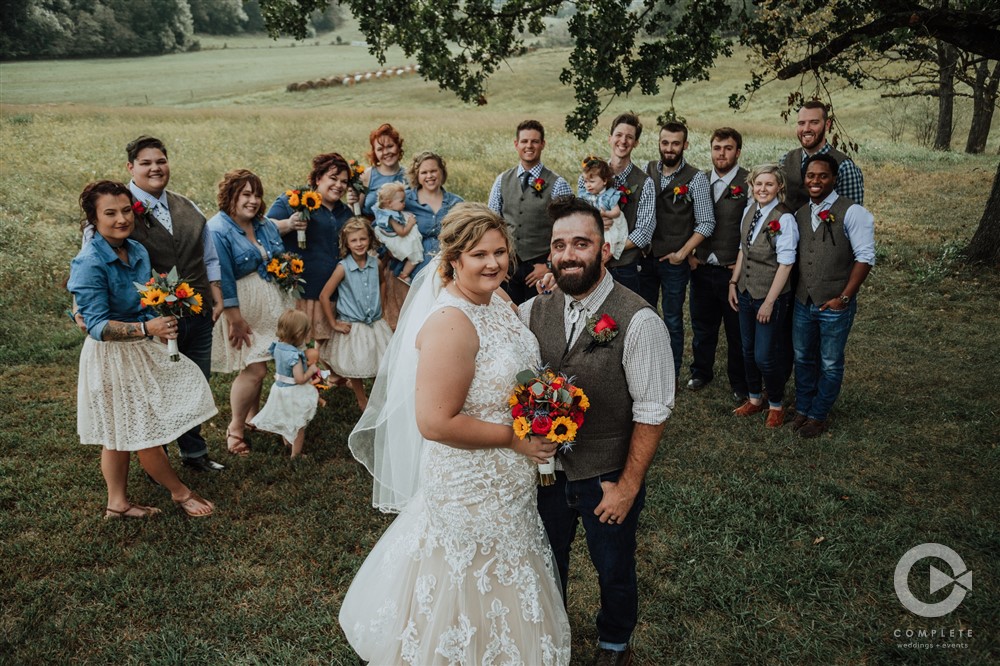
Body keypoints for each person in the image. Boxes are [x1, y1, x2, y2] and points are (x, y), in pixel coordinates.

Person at [339, 203, 571, 664]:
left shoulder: (499, 300)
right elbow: (435, 422)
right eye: (478, 254)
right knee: (467, 571)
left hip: (509, 480)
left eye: (500, 252)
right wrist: (513, 439)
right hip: (469, 479)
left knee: (506, 563)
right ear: (453, 261)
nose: (493, 263)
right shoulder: (451, 323)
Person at [520, 197, 673, 666]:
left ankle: (614, 643)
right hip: (547, 472)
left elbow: (652, 411)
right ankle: (552, 630)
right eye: (559, 245)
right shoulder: (532, 311)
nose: (568, 254)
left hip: (606, 475)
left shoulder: (639, 320)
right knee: (548, 563)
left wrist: (627, 487)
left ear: (605, 250)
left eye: (581, 243)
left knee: (613, 566)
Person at [78, 136, 227, 473]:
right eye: (145, 163)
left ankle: (194, 453)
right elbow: (89, 265)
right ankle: (154, 458)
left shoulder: (186, 205)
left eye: (160, 160)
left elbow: (208, 253)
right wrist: (78, 309)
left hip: (197, 312)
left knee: (194, 381)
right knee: (156, 390)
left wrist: (216, 293)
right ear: (131, 167)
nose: (155, 168)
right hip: (149, 324)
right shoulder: (118, 209)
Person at [69, 180, 217, 519]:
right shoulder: (89, 261)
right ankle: (181, 493)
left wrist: (158, 321)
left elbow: (144, 296)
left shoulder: (136, 251)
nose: (120, 219)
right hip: (110, 356)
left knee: (119, 431)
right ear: (93, 218)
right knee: (143, 428)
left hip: (140, 348)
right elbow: (96, 326)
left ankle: (117, 504)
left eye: (125, 211)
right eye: (110, 213)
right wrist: (145, 328)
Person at [208, 169, 294, 456]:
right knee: (254, 367)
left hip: (273, 306)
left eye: (257, 194)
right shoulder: (218, 229)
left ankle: (251, 416)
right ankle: (235, 429)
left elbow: (278, 254)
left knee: (262, 365)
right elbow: (222, 276)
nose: (253, 200)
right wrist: (234, 318)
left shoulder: (264, 225)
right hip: (243, 310)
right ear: (230, 195)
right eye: (246, 194)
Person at [791, 154, 875, 438]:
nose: (815, 181)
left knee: (829, 361)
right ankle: (803, 407)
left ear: (834, 178)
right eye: (811, 176)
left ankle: (819, 414)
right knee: (802, 357)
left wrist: (845, 298)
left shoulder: (853, 212)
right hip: (804, 301)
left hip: (835, 303)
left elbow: (865, 258)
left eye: (822, 176)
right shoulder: (800, 214)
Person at [727, 165, 799, 427]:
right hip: (745, 291)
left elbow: (786, 264)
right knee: (747, 350)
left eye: (769, 184)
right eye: (758, 184)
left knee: (764, 355)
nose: (763, 189)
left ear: (779, 187)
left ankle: (776, 404)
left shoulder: (784, 219)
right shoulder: (750, 211)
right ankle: (755, 398)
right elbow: (743, 250)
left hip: (770, 296)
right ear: (752, 186)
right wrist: (733, 282)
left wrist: (769, 302)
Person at [645, 121, 716, 380]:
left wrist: (683, 253)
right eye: (665, 142)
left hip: (674, 262)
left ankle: (670, 375)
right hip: (645, 258)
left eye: (676, 143)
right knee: (645, 317)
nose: (670, 148)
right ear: (659, 143)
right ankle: (648, 371)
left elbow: (707, 222)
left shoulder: (695, 178)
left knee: (673, 320)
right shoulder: (647, 170)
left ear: (685, 145)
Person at [267, 153, 353, 355]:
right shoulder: (295, 200)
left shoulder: (345, 212)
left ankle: (328, 376)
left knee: (327, 343)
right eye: (333, 178)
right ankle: (293, 375)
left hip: (332, 290)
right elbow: (264, 228)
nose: (339, 185)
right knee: (296, 340)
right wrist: (288, 224)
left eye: (344, 182)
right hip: (301, 289)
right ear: (318, 178)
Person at [687, 128, 750, 400]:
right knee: (702, 325)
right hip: (700, 267)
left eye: (727, 148)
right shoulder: (698, 180)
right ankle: (701, 371)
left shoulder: (749, 183)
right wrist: (689, 254)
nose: (721, 153)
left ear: (737, 151)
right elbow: (684, 218)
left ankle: (739, 382)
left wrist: (741, 258)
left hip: (730, 270)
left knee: (736, 330)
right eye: (717, 147)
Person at [488, 119, 572, 305]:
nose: (529, 146)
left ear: (542, 144)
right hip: (508, 266)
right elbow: (492, 224)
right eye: (524, 141)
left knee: (539, 317)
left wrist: (550, 266)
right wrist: (498, 264)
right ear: (516, 144)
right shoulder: (502, 180)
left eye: (535, 141)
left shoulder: (558, 184)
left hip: (540, 266)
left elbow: (568, 231)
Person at [579, 113, 656, 303]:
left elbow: (644, 232)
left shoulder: (645, 182)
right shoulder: (588, 175)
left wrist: (611, 250)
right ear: (610, 138)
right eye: (619, 135)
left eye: (629, 137)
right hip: (591, 263)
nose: (623, 141)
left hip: (625, 267)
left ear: (636, 143)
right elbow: (579, 218)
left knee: (626, 321)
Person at [318, 218, 393, 412]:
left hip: (375, 322)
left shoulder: (376, 263)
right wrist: (334, 323)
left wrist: (382, 307)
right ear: (346, 243)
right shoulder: (343, 268)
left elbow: (383, 282)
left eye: (363, 239)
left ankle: (381, 396)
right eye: (354, 241)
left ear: (370, 239)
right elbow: (325, 295)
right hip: (353, 324)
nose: (359, 244)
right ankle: (361, 398)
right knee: (356, 364)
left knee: (380, 361)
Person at [250, 309, 319, 458]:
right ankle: (296, 454)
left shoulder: (278, 347)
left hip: (279, 389)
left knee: (284, 417)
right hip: (293, 392)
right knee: (298, 424)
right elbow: (300, 378)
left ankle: (287, 443)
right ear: (300, 334)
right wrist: (312, 370)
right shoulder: (295, 356)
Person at [779, 100, 865, 212]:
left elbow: (852, 216)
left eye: (814, 122)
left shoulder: (844, 166)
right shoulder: (785, 159)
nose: (806, 129)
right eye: (801, 123)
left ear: (827, 125)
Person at [404, 150, 464, 276]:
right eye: (424, 172)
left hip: (447, 270)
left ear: (441, 172)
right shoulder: (405, 200)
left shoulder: (456, 203)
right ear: (417, 175)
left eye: (433, 171)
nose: (429, 176)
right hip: (414, 271)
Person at [578, 156, 628, 261]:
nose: (588, 185)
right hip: (590, 226)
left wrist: (606, 214)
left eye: (591, 181)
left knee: (607, 240)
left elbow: (616, 212)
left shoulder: (609, 195)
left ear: (604, 180)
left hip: (608, 226)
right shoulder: (585, 196)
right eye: (586, 182)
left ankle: (604, 254)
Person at [371, 182, 423, 283]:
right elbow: (402, 232)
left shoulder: (384, 211)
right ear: (389, 203)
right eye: (401, 201)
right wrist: (411, 223)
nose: (404, 203)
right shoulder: (391, 218)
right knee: (415, 255)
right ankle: (404, 275)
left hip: (389, 235)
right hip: (394, 239)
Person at [358, 123, 406, 217]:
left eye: (390, 146)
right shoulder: (367, 175)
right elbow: (356, 212)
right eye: (380, 149)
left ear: (398, 146)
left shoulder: (410, 175)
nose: (386, 152)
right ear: (374, 153)